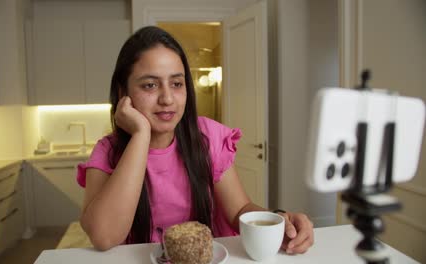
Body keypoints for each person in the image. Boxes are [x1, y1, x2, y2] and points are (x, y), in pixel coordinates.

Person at [77, 26, 314, 253]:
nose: (167, 98)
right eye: (150, 85)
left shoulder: (207, 137)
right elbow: (103, 236)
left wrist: (278, 222)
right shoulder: (108, 151)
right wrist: (141, 134)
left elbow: (239, 210)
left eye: (177, 84)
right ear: (122, 92)